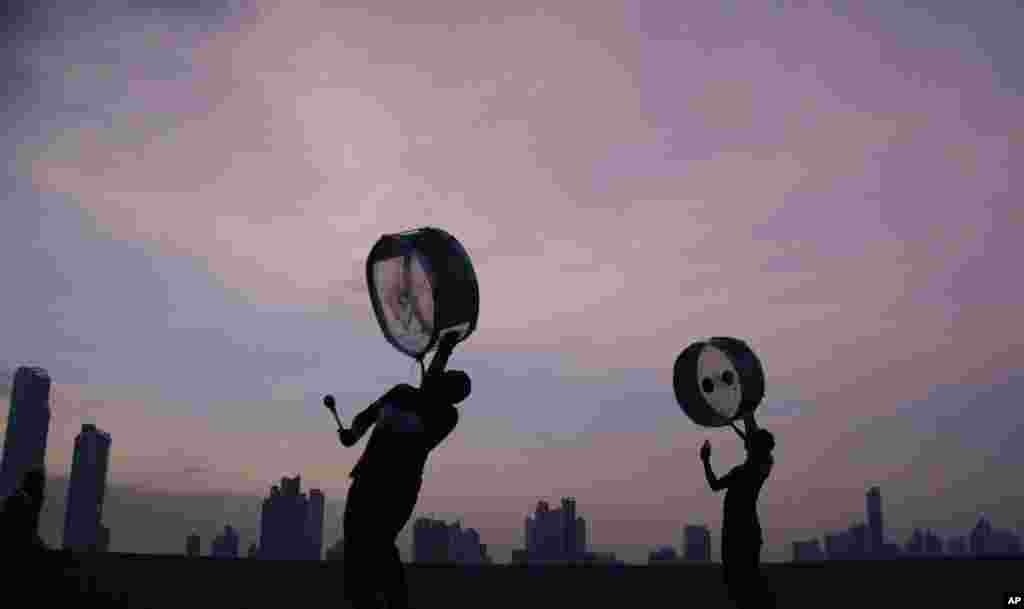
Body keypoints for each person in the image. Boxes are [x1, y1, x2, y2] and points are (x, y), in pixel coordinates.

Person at [338, 331, 471, 609]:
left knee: (379, 542)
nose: (446, 384)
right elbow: (366, 416)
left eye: (454, 389)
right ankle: (361, 600)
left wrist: (444, 351)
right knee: (354, 538)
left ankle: (394, 602)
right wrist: (352, 433)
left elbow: (430, 386)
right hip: (366, 476)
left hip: (398, 487)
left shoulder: (445, 416)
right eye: (450, 380)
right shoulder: (400, 393)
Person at [701, 413, 776, 609]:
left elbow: (714, 485)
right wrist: (747, 416)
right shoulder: (763, 468)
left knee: (739, 583)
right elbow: (753, 441)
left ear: (753, 448)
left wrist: (705, 460)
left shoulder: (743, 472)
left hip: (736, 532)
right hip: (746, 531)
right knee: (749, 580)